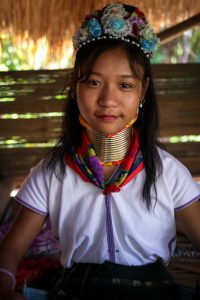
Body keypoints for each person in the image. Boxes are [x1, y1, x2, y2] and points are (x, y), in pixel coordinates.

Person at [0, 3, 200, 300]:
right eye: (94, 82)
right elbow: (11, 250)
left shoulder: (169, 173)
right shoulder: (52, 172)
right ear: (75, 87)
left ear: (143, 91)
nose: (108, 99)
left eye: (124, 85)